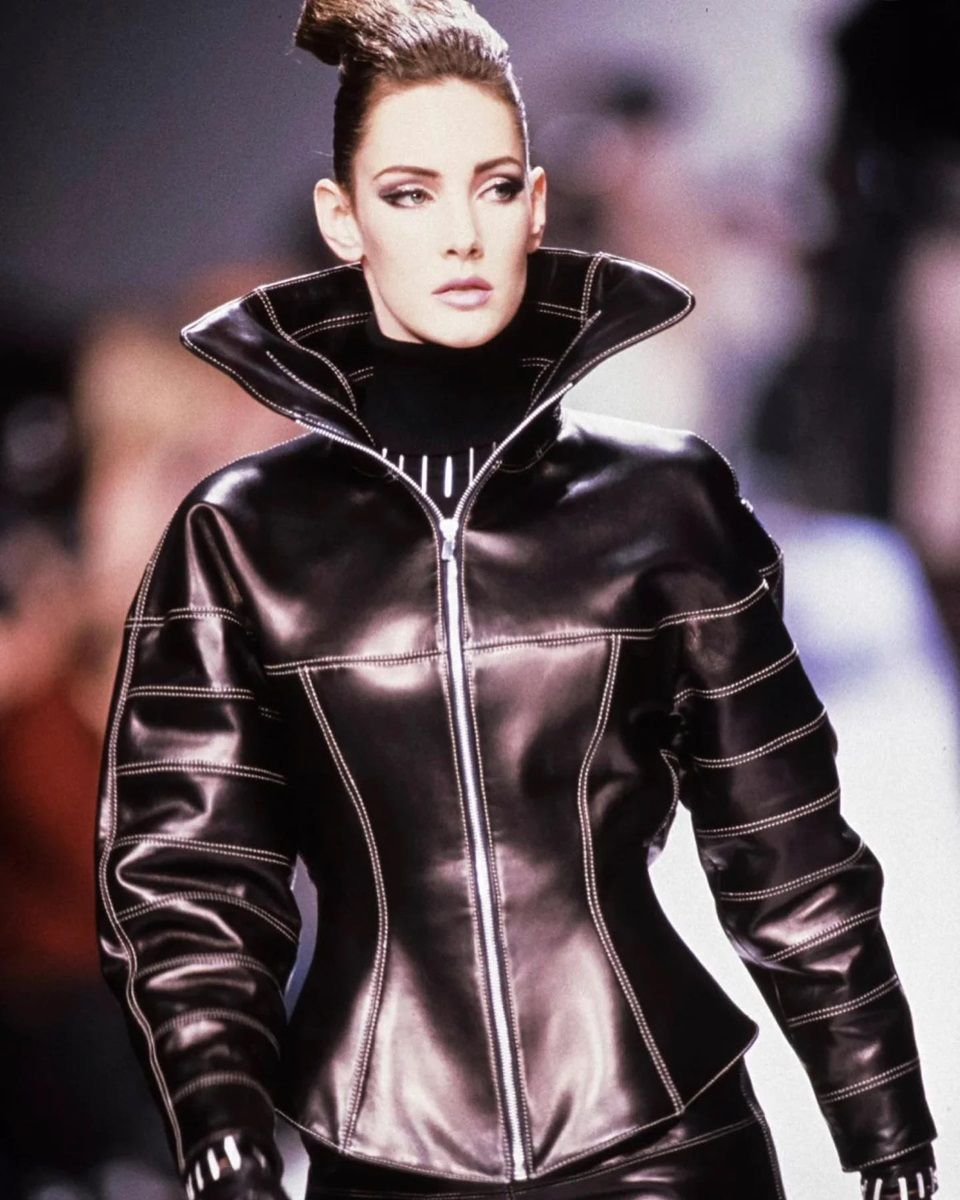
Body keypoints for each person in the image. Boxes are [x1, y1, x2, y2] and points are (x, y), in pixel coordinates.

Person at [93, 2, 940, 1198]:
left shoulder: (662, 502)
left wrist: (888, 1126)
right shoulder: (243, 537)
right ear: (342, 219)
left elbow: (787, 849)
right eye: (409, 193)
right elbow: (187, 876)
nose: (460, 235)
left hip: (664, 1131)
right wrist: (217, 1117)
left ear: (536, 207)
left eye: (492, 187)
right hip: (384, 1143)